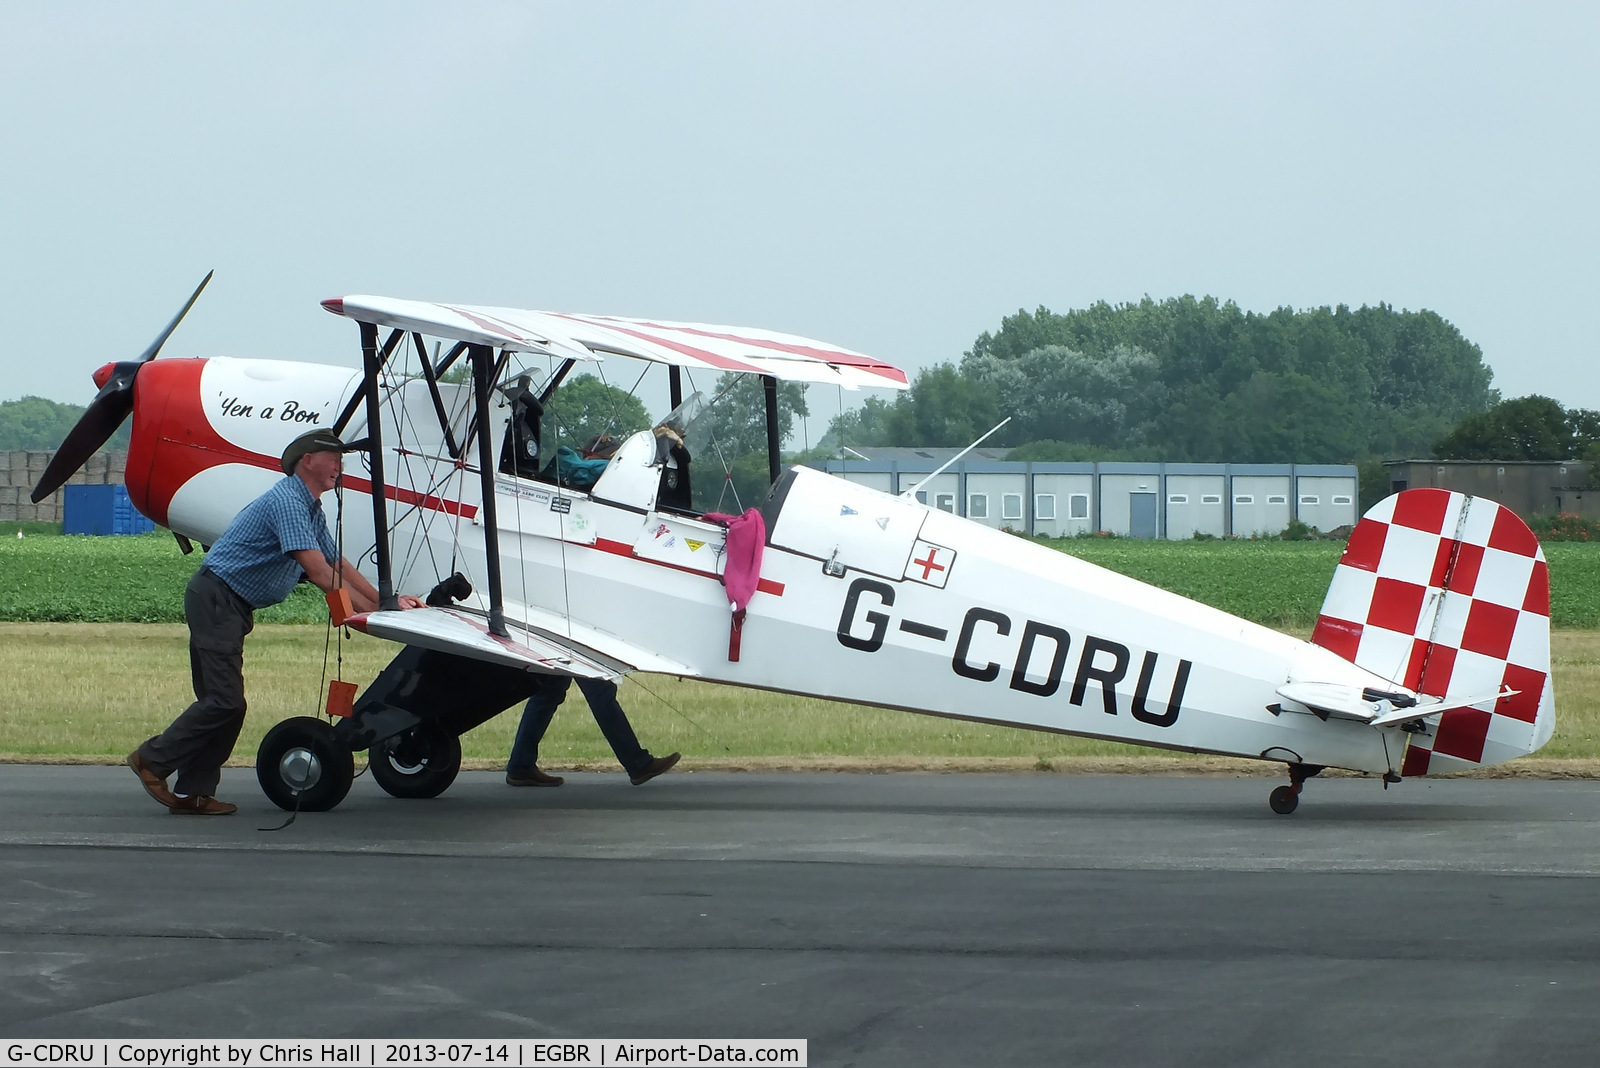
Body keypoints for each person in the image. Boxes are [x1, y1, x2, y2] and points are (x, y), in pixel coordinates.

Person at [127, 428, 424, 815]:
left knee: (224, 703)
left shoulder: (309, 507)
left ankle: (193, 793)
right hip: (217, 599)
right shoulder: (288, 502)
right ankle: (152, 759)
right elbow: (318, 571)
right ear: (308, 461)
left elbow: (338, 564)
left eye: (341, 459)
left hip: (227, 604)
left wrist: (386, 604)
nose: (340, 466)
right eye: (332, 458)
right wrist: (354, 612)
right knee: (224, 702)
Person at [506, 676, 680, 787]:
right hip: (570, 627)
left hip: (558, 623)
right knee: (599, 690)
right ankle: (638, 764)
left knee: (549, 692)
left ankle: (521, 765)